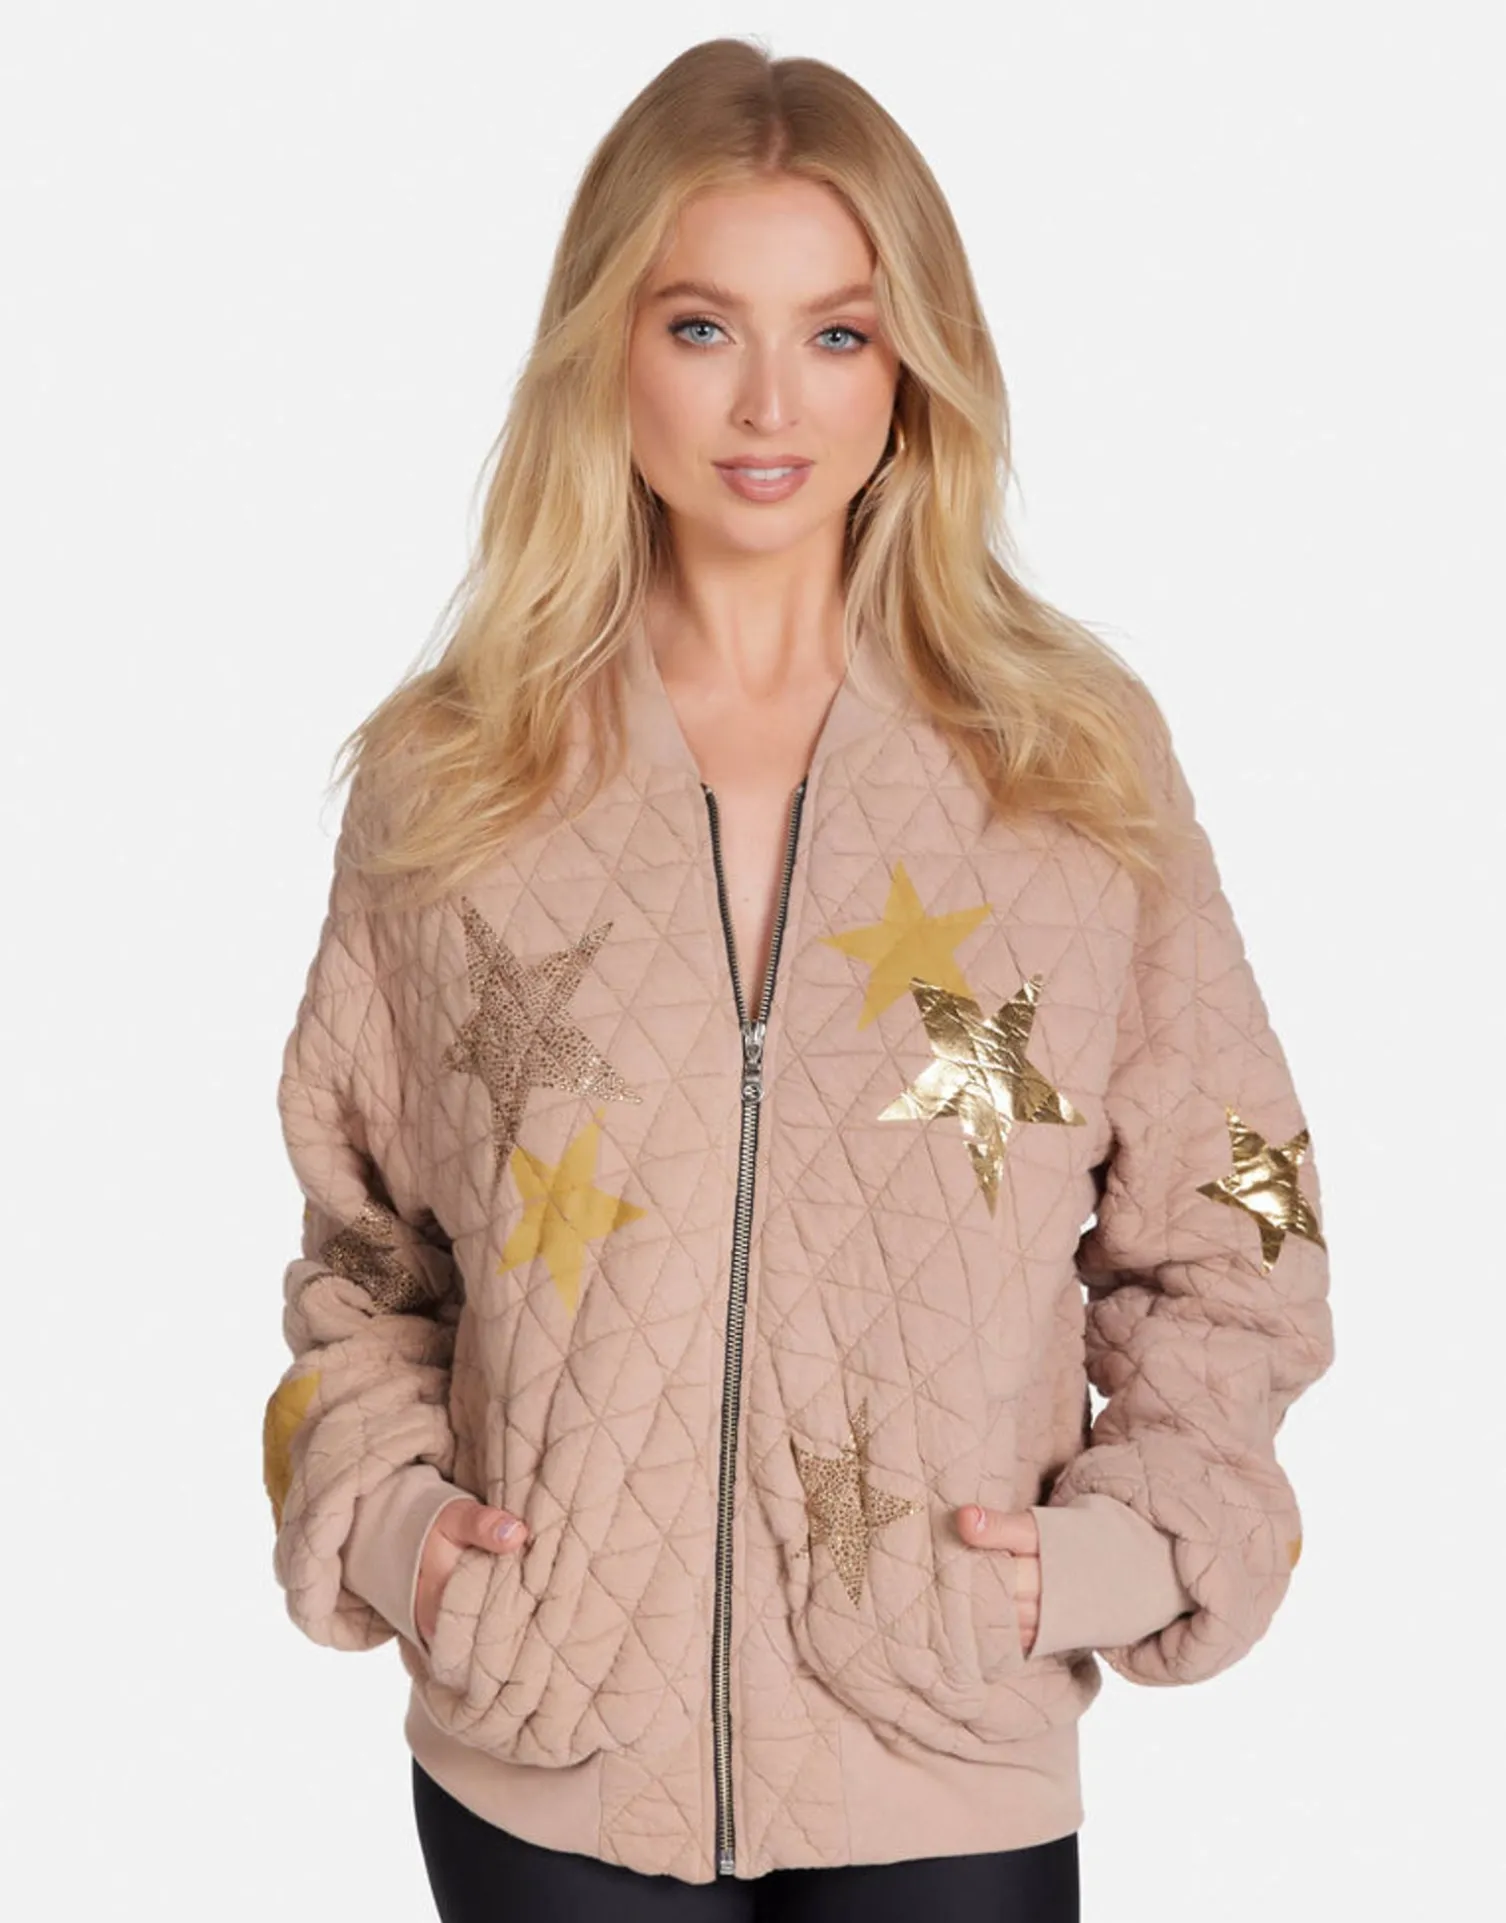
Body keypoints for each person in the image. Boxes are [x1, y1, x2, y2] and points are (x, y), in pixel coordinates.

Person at [262, 35, 1334, 1923]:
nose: (770, 401)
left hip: (946, 1742)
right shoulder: (457, 775)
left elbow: (1242, 1220)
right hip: (548, 1748)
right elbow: (364, 1265)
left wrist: (1114, 1554)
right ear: (607, 348)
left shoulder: (1062, 763)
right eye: (701, 327)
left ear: (912, 366)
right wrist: (404, 1532)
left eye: (836, 333)